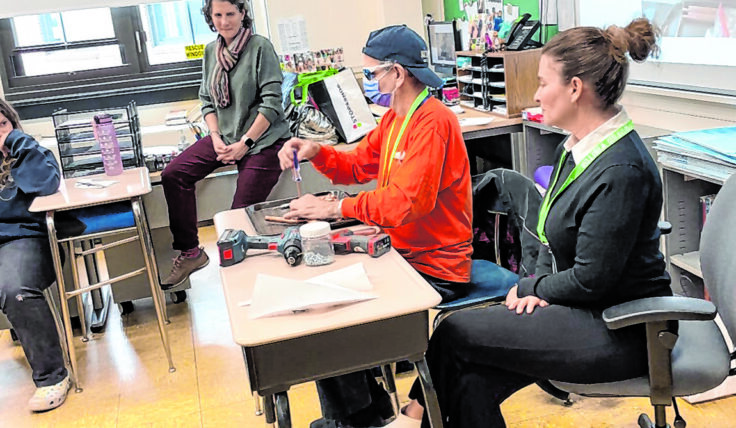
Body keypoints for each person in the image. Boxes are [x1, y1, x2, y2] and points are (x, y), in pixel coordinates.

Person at [395, 18, 674, 428]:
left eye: (544, 83)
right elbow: (548, 236)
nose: (537, 93)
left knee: (454, 334)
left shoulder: (622, 170)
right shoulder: (577, 146)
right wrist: (538, 290)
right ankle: (414, 419)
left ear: (575, 88)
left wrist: (530, 287)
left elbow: (590, 280)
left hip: (624, 327)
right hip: (582, 309)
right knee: (471, 379)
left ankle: (409, 420)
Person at [276, 25, 473, 428]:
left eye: (372, 73)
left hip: (435, 262)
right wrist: (316, 151)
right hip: (401, 251)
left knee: (330, 314)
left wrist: (335, 209)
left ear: (397, 73)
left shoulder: (432, 122)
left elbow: (405, 203)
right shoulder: (396, 119)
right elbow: (359, 163)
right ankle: (366, 410)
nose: (370, 82)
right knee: (321, 296)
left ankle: (357, 416)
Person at [160, 0, 290, 288]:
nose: (224, 21)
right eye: (218, 15)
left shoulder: (259, 47)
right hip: (226, 136)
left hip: (264, 140)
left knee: (237, 218)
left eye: (230, 14)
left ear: (243, 14)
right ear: (210, 17)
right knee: (173, 174)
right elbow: (206, 100)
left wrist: (246, 142)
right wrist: (216, 138)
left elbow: (271, 105)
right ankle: (191, 252)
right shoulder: (211, 51)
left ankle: (244, 285)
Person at [0, 99, 71, 412]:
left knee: (16, 290)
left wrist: (15, 143)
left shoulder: (30, 154)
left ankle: (51, 377)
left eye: (1, 125)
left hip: (24, 239)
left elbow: (45, 185)